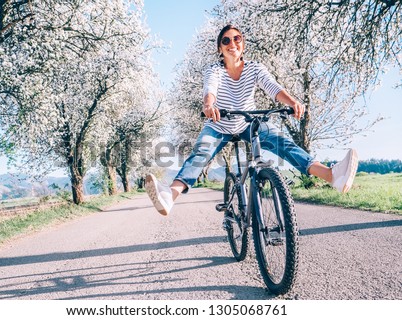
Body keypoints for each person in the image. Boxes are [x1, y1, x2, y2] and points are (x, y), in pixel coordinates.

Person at [145, 24, 358, 216]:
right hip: (219, 124)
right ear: (220, 48)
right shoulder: (215, 70)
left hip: (249, 123)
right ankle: (169, 197)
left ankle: (332, 176)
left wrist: (292, 102)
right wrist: (209, 106)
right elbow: (210, 89)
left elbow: (272, 87)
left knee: (284, 144)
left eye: (237, 39)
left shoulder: (255, 68)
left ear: (243, 44)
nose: (232, 43)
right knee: (201, 154)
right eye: (226, 40)